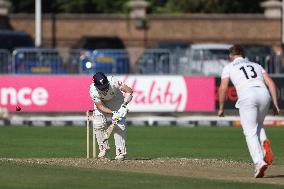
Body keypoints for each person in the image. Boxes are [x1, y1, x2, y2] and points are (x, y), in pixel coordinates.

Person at [218, 44, 280, 178]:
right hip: (264, 94)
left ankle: (259, 162)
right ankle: (264, 146)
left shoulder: (228, 67)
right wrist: (275, 103)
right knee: (258, 125)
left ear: (231, 56)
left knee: (249, 132)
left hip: (247, 95)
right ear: (243, 54)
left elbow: (223, 88)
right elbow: (271, 83)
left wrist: (221, 107)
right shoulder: (256, 65)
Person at [89, 72, 133, 160]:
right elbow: (100, 106)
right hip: (102, 103)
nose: (104, 89)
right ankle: (103, 148)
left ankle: (120, 152)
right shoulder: (93, 90)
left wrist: (124, 105)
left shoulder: (114, 81)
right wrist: (113, 113)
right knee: (98, 124)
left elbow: (129, 91)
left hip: (116, 99)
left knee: (119, 125)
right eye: (102, 88)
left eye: (105, 86)